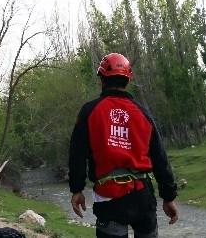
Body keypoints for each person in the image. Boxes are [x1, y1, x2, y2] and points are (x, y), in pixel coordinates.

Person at [69, 53, 180, 238]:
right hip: (142, 196)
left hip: (109, 197)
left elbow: (77, 155)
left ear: (102, 80)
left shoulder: (89, 111)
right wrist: (168, 197)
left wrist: (77, 189)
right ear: (127, 81)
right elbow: (160, 158)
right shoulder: (143, 113)